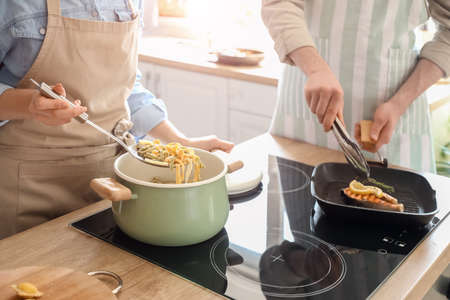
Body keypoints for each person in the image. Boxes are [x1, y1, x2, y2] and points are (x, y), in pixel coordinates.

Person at [0, 0, 233, 239]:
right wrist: (29, 104)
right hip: (27, 191)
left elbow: (126, 90)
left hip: (112, 188)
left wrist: (180, 141)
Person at [262, 0, 450, 173]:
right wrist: (316, 70)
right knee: (299, 209)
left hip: (396, 127)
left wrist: (398, 104)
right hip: (304, 125)